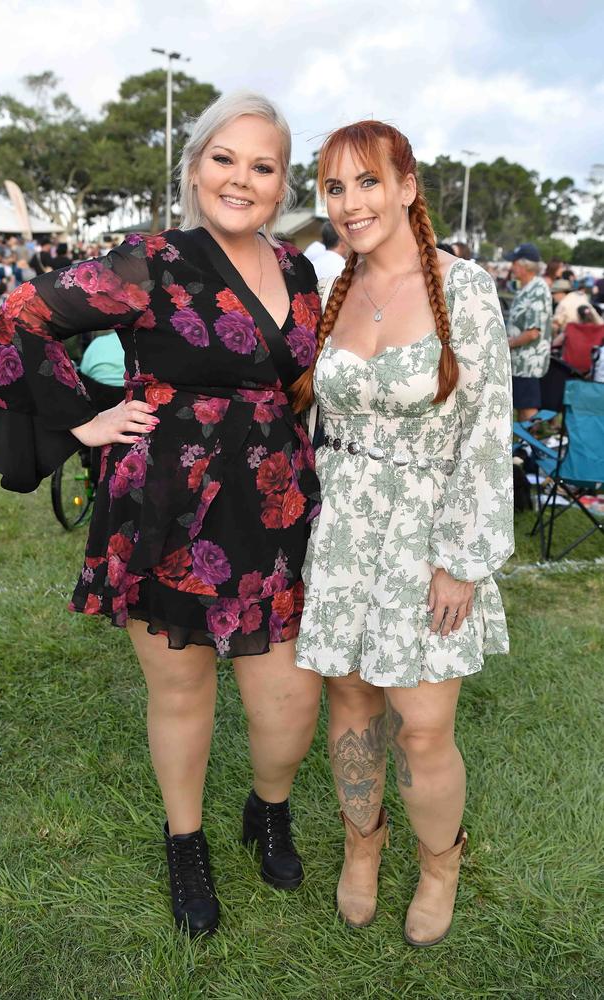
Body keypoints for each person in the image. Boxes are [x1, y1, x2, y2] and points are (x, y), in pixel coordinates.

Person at [0, 91, 323, 939]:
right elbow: (20, 318)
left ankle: (268, 807)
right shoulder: (150, 259)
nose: (241, 178)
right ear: (195, 168)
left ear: (281, 184)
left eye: (261, 166)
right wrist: (78, 421)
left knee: (287, 702)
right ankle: (185, 839)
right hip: (168, 507)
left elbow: (299, 379)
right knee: (183, 688)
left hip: (274, 506)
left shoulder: (300, 270)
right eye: (224, 158)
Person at [292, 121, 514, 947]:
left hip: (427, 535)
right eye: (336, 188)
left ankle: (439, 861)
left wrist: (461, 559)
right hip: (345, 528)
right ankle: (363, 844)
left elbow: (488, 430)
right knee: (350, 710)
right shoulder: (333, 287)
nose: (351, 204)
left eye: (368, 182)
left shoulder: (467, 289)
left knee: (421, 725)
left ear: (408, 186)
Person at [504, 243, 553, 420]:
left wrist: (507, 344)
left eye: (514, 263)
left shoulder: (538, 289)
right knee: (521, 406)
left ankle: (531, 445)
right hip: (520, 361)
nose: (512, 267)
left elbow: (533, 332)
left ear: (525, 266)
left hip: (528, 363)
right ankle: (524, 445)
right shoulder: (526, 287)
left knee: (527, 408)